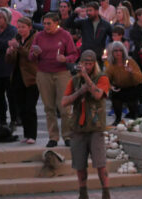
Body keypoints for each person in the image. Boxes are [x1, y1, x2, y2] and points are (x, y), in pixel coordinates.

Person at [60, 50, 111, 199]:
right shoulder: (74, 80)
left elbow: (97, 95)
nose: (87, 66)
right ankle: (83, 193)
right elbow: (64, 102)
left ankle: (105, 192)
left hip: (95, 126)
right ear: (80, 64)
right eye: (84, 63)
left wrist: (87, 79)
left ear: (94, 64)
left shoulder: (102, 78)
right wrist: (79, 92)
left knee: (100, 163)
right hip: (78, 127)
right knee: (80, 164)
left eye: (90, 64)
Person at [30, 12, 79, 147]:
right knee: (49, 107)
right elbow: (31, 57)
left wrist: (66, 59)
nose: (46, 26)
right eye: (44, 23)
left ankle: (67, 135)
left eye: (49, 23)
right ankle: (53, 137)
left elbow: (74, 54)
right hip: (44, 73)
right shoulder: (39, 36)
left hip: (61, 73)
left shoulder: (65, 35)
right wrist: (35, 54)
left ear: (57, 23)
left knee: (64, 107)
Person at [5, 17, 39, 144]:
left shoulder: (36, 39)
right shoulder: (17, 38)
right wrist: (9, 53)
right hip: (18, 77)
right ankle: (26, 133)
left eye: (23, 27)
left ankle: (33, 135)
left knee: (30, 107)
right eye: (19, 27)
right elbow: (10, 61)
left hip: (31, 78)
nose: (20, 30)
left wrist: (18, 47)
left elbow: (31, 56)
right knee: (21, 108)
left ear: (30, 27)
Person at [0, 7, 18, 128]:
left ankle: (14, 119)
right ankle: (1, 117)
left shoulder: (12, 30)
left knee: (11, 96)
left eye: (1, 17)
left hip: (8, 67)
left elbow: (5, 44)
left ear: (7, 18)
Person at [104, 41, 142, 125]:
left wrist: (131, 72)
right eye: (115, 51)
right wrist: (110, 86)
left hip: (132, 88)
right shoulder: (111, 65)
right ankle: (118, 119)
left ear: (123, 51)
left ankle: (134, 117)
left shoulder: (130, 61)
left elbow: (140, 78)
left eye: (120, 50)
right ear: (112, 52)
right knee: (115, 95)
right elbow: (106, 78)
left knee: (133, 108)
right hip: (119, 88)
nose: (118, 53)